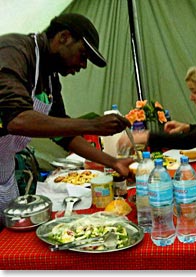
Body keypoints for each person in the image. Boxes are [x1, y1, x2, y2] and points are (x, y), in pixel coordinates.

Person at [0, 13, 133, 229]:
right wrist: (93, 125)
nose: (82, 65)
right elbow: (17, 119)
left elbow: (62, 133)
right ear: (63, 37)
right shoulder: (14, 51)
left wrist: (113, 162)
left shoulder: (50, 78)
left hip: (4, 172)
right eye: (82, 55)